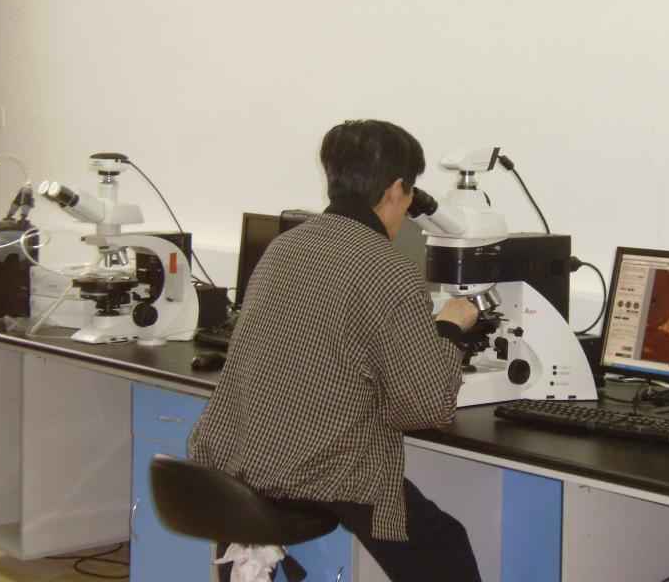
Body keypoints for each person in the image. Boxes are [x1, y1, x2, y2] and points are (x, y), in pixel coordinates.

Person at [188, 119, 482, 582]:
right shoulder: (390, 270)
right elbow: (426, 407)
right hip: (319, 467)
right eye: (410, 192)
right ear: (396, 190)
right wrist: (448, 329)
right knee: (443, 546)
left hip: (242, 457)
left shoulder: (285, 246)